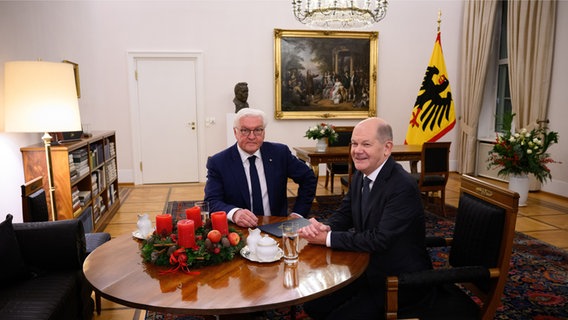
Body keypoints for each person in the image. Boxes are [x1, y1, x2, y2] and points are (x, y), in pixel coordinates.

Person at [298, 117, 433, 319]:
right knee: (313, 303)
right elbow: (346, 213)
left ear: (387, 148)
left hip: (397, 279)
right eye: (354, 143)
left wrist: (327, 239)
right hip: (367, 266)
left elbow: (380, 239)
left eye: (366, 144)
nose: (357, 150)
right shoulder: (362, 173)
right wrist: (325, 227)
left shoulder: (402, 186)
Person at [205, 108, 317, 227]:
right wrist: (235, 213)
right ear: (235, 132)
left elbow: (308, 178)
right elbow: (212, 201)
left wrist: (298, 213)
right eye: (245, 130)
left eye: (258, 130)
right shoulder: (219, 162)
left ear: (264, 132)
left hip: (276, 226)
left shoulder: (279, 153)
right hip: (238, 229)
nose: (252, 136)